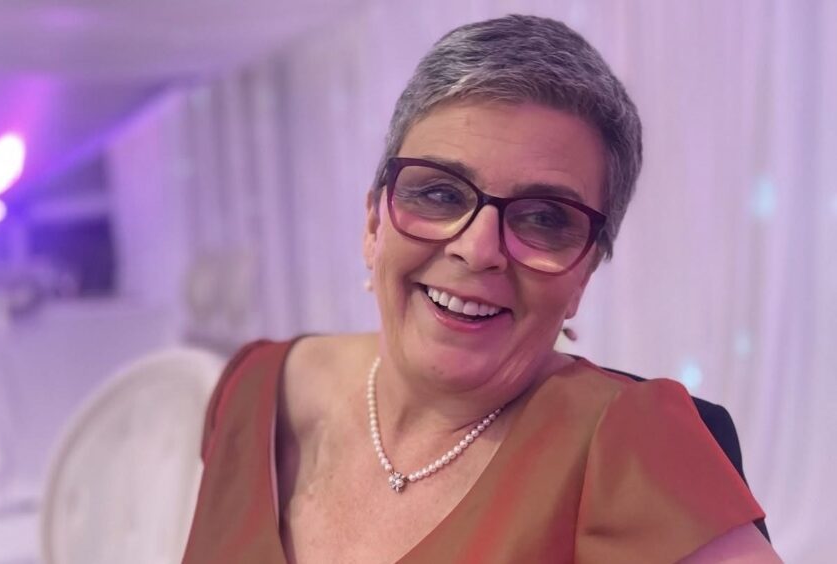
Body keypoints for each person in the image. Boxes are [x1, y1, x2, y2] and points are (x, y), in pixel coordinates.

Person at [182, 14, 780, 563]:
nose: (478, 248)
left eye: (543, 218)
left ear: (583, 274)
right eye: (440, 193)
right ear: (373, 225)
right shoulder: (251, 395)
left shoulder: (631, 444)